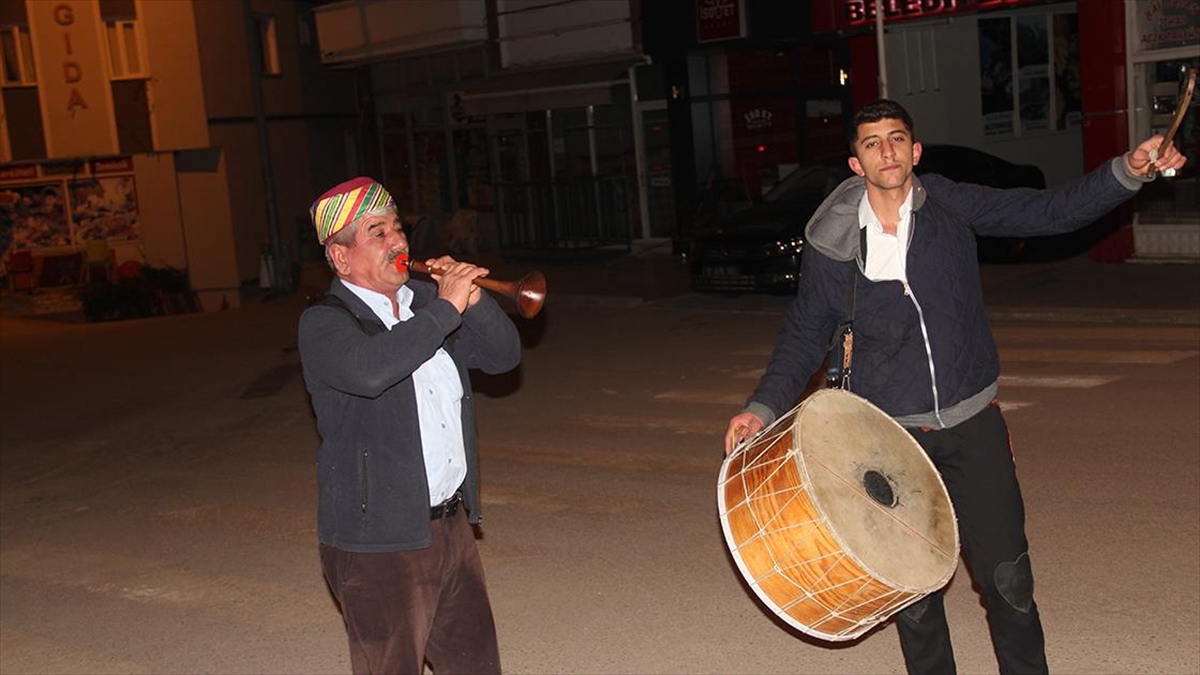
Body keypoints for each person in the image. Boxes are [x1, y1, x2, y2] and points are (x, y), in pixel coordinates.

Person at [723, 99, 1187, 675]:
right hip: (887, 440)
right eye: (872, 143)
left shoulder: (949, 204)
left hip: (972, 426)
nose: (886, 151)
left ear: (914, 152)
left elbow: (1046, 212)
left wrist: (1127, 170)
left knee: (1008, 581)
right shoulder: (834, 243)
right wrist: (763, 407)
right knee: (914, 598)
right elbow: (806, 332)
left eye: (897, 139)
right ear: (855, 163)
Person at [298, 177, 521, 675]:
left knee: (478, 667)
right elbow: (372, 370)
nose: (398, 241)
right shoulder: (325, 324)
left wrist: (477, 301)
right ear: (341, 257)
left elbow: (504, 357)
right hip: (377, 541)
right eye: (377, 232)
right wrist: (446, 307)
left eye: (397, 228)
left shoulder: (423, 302)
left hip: (449, 527)